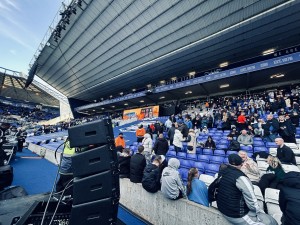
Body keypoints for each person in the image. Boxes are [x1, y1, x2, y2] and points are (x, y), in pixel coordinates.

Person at [216, 154, 278, 225]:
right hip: (235, 214)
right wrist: (259, 212)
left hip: (223, 208)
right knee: (271, 222)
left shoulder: (223, 172)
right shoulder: (241, 178)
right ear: (241, 164)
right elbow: (252, 202)